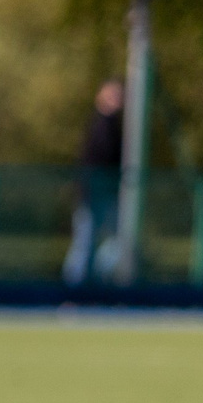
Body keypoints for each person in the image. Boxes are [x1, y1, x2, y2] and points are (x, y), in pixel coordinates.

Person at [64, 78, 126, 286]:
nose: (116, 100)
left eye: (119, 96)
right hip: (91, 196)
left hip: (107, 196)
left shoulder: (115, 127)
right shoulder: (99, 126)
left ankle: (93, 284)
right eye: (112, 95)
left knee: (118, 241)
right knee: (84, 244)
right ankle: (75, 290)